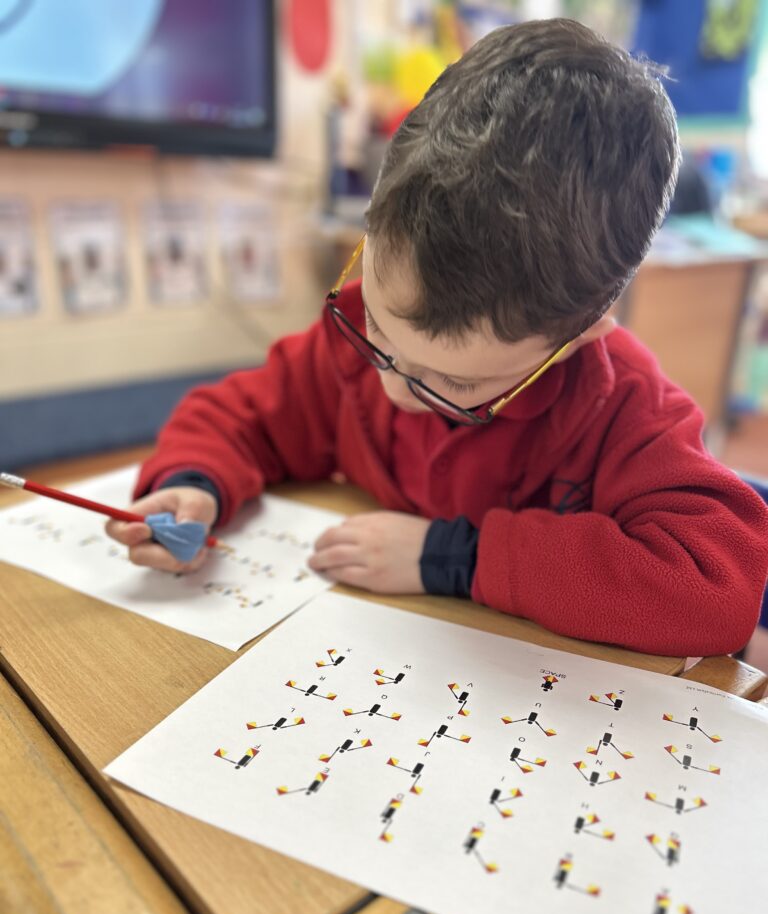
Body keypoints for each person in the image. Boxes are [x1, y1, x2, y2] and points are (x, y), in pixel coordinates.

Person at [107, 19, 768, 657]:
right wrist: (196, 485)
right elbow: (240, 415)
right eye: (376, 335)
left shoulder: (620, 408)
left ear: (577, 335)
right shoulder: (359, 340)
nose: (394, 392)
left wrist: (454, 557)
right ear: (373, 231)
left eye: (455, 385)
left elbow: (715, 590)